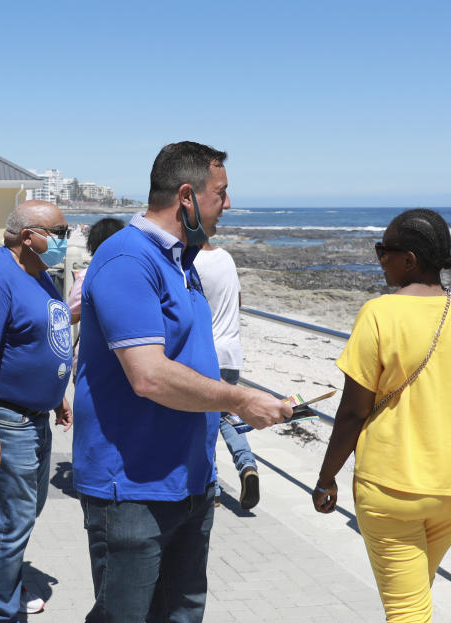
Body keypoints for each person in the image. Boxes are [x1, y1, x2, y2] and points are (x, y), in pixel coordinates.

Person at [72, 141, 292, 622]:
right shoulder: (128, 259)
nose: (228, 206)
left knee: (182, 614)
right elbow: (149, 376)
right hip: (132, 489)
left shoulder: (181, 261)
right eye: (221, 194)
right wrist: (241, 398)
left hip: (189, 483)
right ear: (188, 196)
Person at [312, 209, 451, 622]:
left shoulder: (379, 313)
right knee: (415, 596)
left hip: (391, 488)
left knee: (407, 610)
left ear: (410, 260)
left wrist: (326, 477)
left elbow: (352, 412)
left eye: (384, 249)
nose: (379, 258)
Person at [0, 200, 74, 621]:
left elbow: (37, 337)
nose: (66, 239)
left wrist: (55, 392)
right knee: (15, 519)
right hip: (8, 421)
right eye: (59, 232)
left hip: (35, 414)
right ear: (29, 237)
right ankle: (0, 612)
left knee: (16, 514)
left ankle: (0, 581)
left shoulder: (39, 273)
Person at [193, 241, 260, 509]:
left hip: (207, 353)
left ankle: (214, 488)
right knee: (226, 415)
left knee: (204, 420)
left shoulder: (192, 263)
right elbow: (238, 301)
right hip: (232, 353)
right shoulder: (226, 258)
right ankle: (247, 466)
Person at [66, 217, 124, 372]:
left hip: (91, 359)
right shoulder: (133, 274)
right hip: (126, 356)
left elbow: (71, 316)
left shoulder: (87, 276)